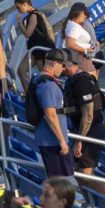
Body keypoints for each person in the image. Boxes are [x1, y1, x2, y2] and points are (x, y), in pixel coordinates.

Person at [61, 52, 105, 203]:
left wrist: (79, 140)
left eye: (63, 65)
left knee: (85, 172)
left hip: (92, 131)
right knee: (77, 172)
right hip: (84, 131)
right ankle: (90, 201)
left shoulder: (82, 82)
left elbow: (88, 114)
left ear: (70, 65)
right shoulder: (72, 81)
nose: (60, 69)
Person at [28, 49, 73, 178]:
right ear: (54, 63)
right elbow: (50, 115)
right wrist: (62, 141)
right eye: (62, 65)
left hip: (46, 139)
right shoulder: (49, 86)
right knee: (61, 182)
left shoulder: (37, 79)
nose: (63, 69)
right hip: (53, 142)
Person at [14, 0, 56, 78]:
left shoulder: (34, 15)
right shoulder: (35, 14)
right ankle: (29, 91)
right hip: (36, 49)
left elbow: (27, 34)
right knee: (21, 71)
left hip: (41, 49)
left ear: (25, 4)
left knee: (45, 75)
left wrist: (19, 22)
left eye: (19, 8)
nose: (18, 10)